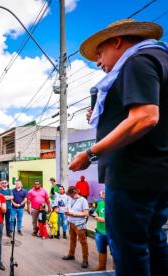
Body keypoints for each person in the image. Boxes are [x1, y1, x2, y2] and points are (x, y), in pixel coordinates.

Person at [70, 18, 168, 276]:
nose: (98, 62)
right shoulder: (159, 59)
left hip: (132, 176)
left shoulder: (137, 61)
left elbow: (146, 117)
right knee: (153, 241)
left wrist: (90, 153)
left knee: (128, 248)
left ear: (117, 41)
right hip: (156, 175)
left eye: (100, 53)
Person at [62, 186, 89, 268]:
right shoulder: (70, 198)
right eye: (69, 194)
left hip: (80, 224)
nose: (70, 196)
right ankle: (71, 254)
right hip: (71, 223)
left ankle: (85, 260)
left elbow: (86, 213)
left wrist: (73, 214)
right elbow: (69, 207)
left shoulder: (83, 200)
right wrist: (66, 211)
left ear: (76, 192)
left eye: (72, 194)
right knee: (72, 240)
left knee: (83, 242)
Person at [93, 190, 109, 271]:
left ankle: (116, 269)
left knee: (115, 252)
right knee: (101, 250)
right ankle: (102, 267)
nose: (103, 194)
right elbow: (96, 212)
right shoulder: (100, 203)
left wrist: (99, 218)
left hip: (111, 233)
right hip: (99, 231)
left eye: (104, 193)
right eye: (102, 193)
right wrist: (95, 214)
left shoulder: (113, 203)